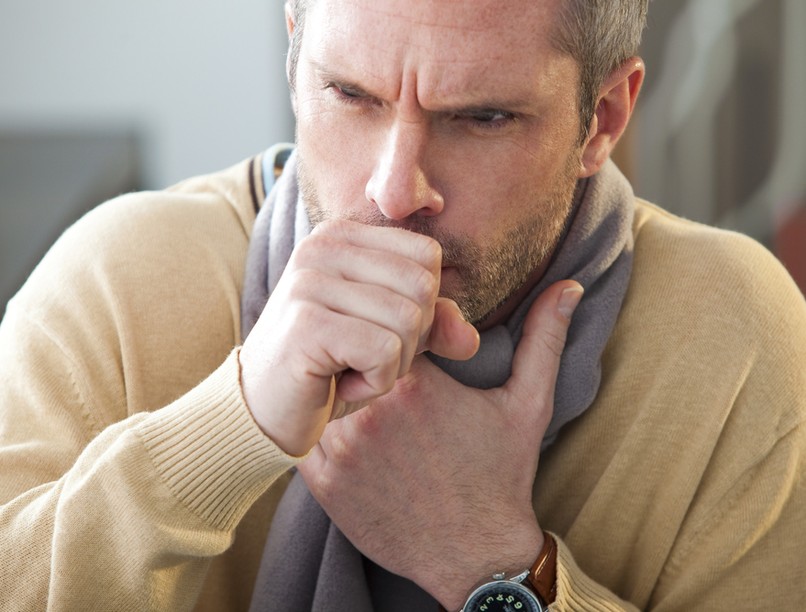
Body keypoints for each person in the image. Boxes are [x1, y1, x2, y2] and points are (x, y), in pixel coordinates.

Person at [1, 0, 804, 610]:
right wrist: (233, 425)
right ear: (294, 57)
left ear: (604, 117)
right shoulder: (119, 278)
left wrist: (489, 563)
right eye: (350, 94)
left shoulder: (733, 335)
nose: (394, 190)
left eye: (482, 118)